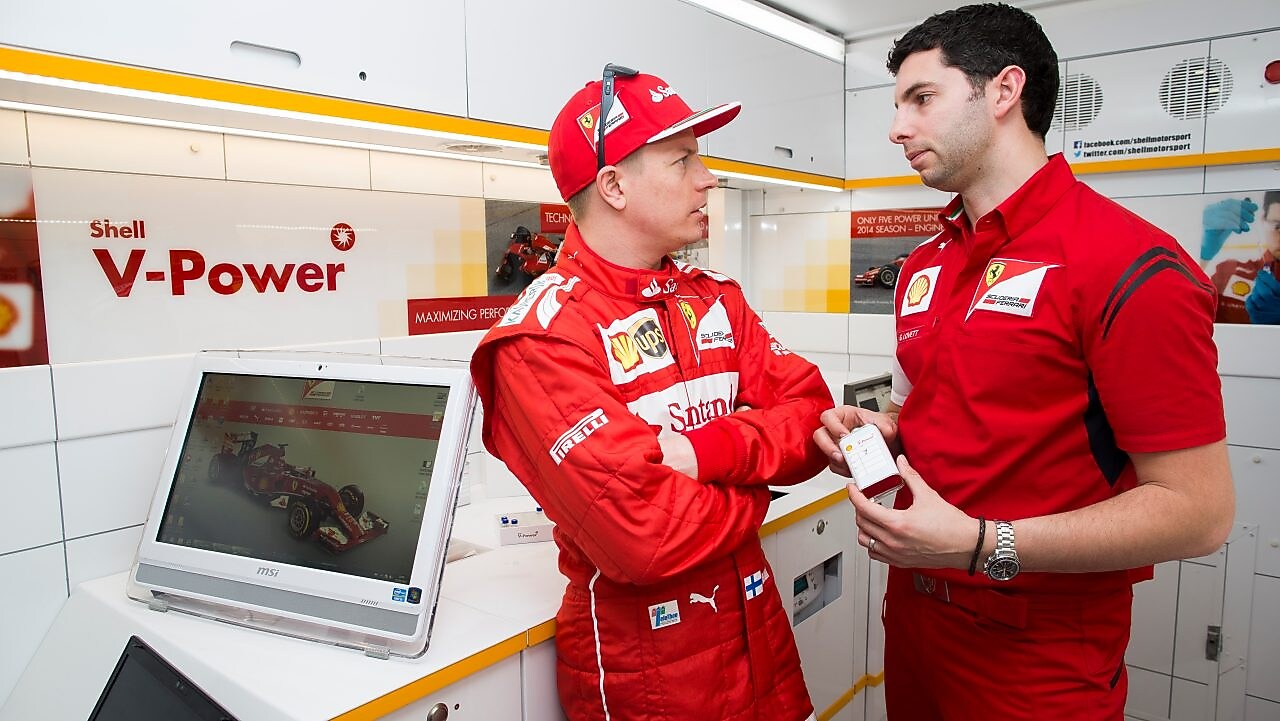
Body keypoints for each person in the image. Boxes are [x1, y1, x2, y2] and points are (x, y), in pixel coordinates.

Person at [812, 4, 1235, 719]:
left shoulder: (1126, 262)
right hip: (915, 624)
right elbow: (965, 410)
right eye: (897, 105)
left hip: (1036, 653)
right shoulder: (928, 264)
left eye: (922, 98)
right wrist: (893, 432)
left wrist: (981, 543)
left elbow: (1200, 512)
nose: (897, 128)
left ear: (1003, 91)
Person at [470, 64, 832, 721]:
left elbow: (813, 420)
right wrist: (759, 482)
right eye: (684, 160)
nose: (709, 179)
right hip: (651, 684)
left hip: (764, 653)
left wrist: (703, 455)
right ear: (613, 185)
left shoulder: (715, 298)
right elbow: (644, 537)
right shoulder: (542, 338)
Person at [1199, 191, 1280, 323]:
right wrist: (1202, 257)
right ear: (1263, 220)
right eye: (1278, 226)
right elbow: (1188, 319)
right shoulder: (1229, 274)